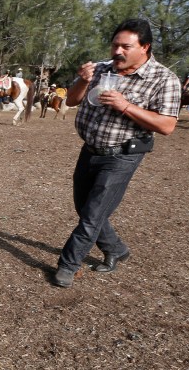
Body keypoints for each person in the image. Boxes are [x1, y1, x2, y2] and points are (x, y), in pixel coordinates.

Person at [51, 18, 181, 288]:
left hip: (122, 155)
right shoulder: (99, 69)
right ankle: (117, 249)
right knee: (85, 208)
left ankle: (68, 264)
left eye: (126, 47)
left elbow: (167, 125)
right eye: (114, 45)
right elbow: (73, 100)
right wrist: (83, 80)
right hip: (90, 150)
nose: (117, 52)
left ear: (145, 47)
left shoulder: (164, 79)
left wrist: (125, 106)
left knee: (93, 214)